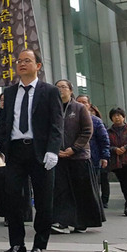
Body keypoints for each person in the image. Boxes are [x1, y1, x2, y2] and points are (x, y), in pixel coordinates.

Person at [0, 49, 63, 252]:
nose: (22, 64)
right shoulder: (10, 92)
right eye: (19, 61)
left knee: (43, 200)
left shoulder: (49, 91)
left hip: (40, 152)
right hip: (15, 152)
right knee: (13, 199)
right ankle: (17, 244)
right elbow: (5, 120)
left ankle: (39, 245)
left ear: (38, 66)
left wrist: (53, 150)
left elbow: (56, 124)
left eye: (27, 60)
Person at [51, 81, 103, 234]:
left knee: (82, 190)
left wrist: (73, 149)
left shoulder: (79, 108)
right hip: (59, 157)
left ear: (71, 90)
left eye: (63, 87)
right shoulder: (52, 108)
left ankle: (82, 222)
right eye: (57, 87)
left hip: (79, 156)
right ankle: (63, 222)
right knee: (61, 190)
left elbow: (87, 131)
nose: (60, 90)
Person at [0, 93, 33, 225]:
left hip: (14, 155)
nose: (3, 103)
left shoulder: (15, 116)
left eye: (5, 100)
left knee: (19, 186)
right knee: (0, 186)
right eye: (1, 100)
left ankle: (22, 214)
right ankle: (7, 213)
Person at [76, 95, 111, 208]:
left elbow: (104, 140)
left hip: (93, 159)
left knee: (93, 185)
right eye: (79, 102)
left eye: (84, 102)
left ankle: (94, 209)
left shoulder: (96, 121)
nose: (81, 104)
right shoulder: (71, 119)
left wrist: (104, 156)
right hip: (75, 158)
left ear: (89, 105)